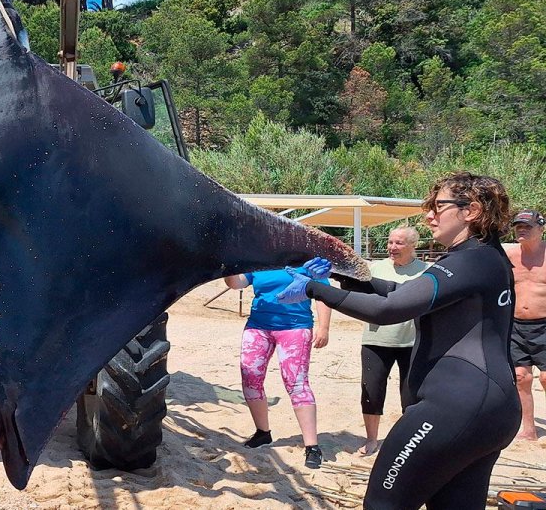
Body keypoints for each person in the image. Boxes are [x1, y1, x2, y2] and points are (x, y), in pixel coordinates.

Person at [275, 172, 518, 510]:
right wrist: (341, 274)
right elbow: (402, 293)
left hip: (455, 408)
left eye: (438, 206)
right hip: (490, 410)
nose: (429, 215)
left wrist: (314, 289)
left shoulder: (469, 260)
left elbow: (390, 309)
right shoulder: (487, 258)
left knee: (382, 505)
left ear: (472, 210)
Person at [222, 267, 333, 469]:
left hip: (295, 326)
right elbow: (237, 283)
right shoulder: (258, 257)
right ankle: (263, 432)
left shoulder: (305, 257)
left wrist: (323, 327)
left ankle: (312, 446)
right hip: (258, 326)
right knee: (250, 377)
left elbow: (322, 294)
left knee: (296, 383)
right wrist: (228, 267)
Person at [357, 226, 428, 455]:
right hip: (376, 340)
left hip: (412, 342)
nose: (392, 247)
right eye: (390, 242)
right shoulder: (375, 269)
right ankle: (371, 439)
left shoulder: (427, 271)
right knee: (372, 391)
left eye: (398, 243)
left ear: (413, 245)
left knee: (411, 393)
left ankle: (409, 440)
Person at [505, 209, 546, 440]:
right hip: (516, 326)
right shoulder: (509, 257)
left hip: (544, 326)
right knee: (521, 377)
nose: (521, 230)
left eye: (527, 226)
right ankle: (528, 430)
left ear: (541, 228)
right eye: (519, 226)